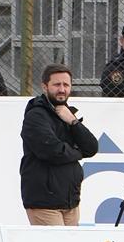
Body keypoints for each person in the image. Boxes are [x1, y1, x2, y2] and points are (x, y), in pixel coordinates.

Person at [19, 64, 99, 226]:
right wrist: (78, 152)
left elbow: (91, 148)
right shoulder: (36, 115)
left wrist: (73, 121)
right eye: (57, 84)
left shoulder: (67, 114)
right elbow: (53, 151)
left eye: (66, 85)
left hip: (70, 202)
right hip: (44, 203)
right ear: (44, 86)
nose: (62, 89)